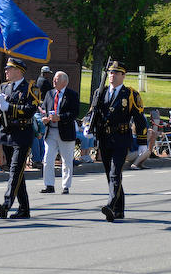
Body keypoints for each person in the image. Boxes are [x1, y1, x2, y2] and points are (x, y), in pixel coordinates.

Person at [86, 61, 147, 222]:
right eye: (110, 73)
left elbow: (140, 119)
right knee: (110, 175)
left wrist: (142, 142)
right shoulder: (101, 92)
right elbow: (92, 112)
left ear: (123, 75)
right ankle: (119, 210)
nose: (112, 76)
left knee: (115, 173)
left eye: (116, 73)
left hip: (121, 138)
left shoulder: (130, 94)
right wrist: (87, 126)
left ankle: (110, 205)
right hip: (104, 138)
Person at [0, 57, 41, 219]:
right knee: (17, 173)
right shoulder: (3, 87)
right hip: (7, 133)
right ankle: (24, 209)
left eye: (9, 69)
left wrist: (9, 107)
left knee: (15, 170)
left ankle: (6, 204)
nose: (6, 71)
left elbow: (29, 110)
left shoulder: (30, 89)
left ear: (19, 71)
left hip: (22, 134)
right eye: (6, 69)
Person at [39, 71, 79, 195]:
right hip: (51, 131)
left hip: (65, 132)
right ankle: (49, 185)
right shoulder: (49, 93)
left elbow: (74, 113)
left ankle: (66, 186)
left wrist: (60, 117)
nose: (54, 81)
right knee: (47, 159)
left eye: (57, 79)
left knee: (66, 160)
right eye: (54, 79)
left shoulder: (72, 95)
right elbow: (45, 109)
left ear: (64, 82)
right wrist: (44, 118)